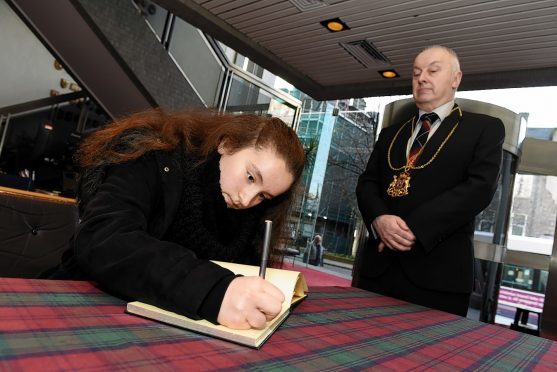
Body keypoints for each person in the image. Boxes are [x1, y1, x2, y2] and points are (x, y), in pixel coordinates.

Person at [44, 108, 305, 330]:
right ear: (226, 143)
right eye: (250, 177)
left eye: (263, 196)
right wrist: (214, 291)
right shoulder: (153, 156)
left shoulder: (250, 223)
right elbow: (104, 239)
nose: (246, 200)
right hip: (75, 306)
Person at [354, 45, 505, 316]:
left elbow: (479, 188)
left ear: (456, 79)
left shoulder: (484, 128)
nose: (422, 78)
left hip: (439, 277)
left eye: (433, 70)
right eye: (416, 73)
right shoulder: (390, 133)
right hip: (378, 268)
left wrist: (414, 227)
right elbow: (367, 183)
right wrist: (379, 219)